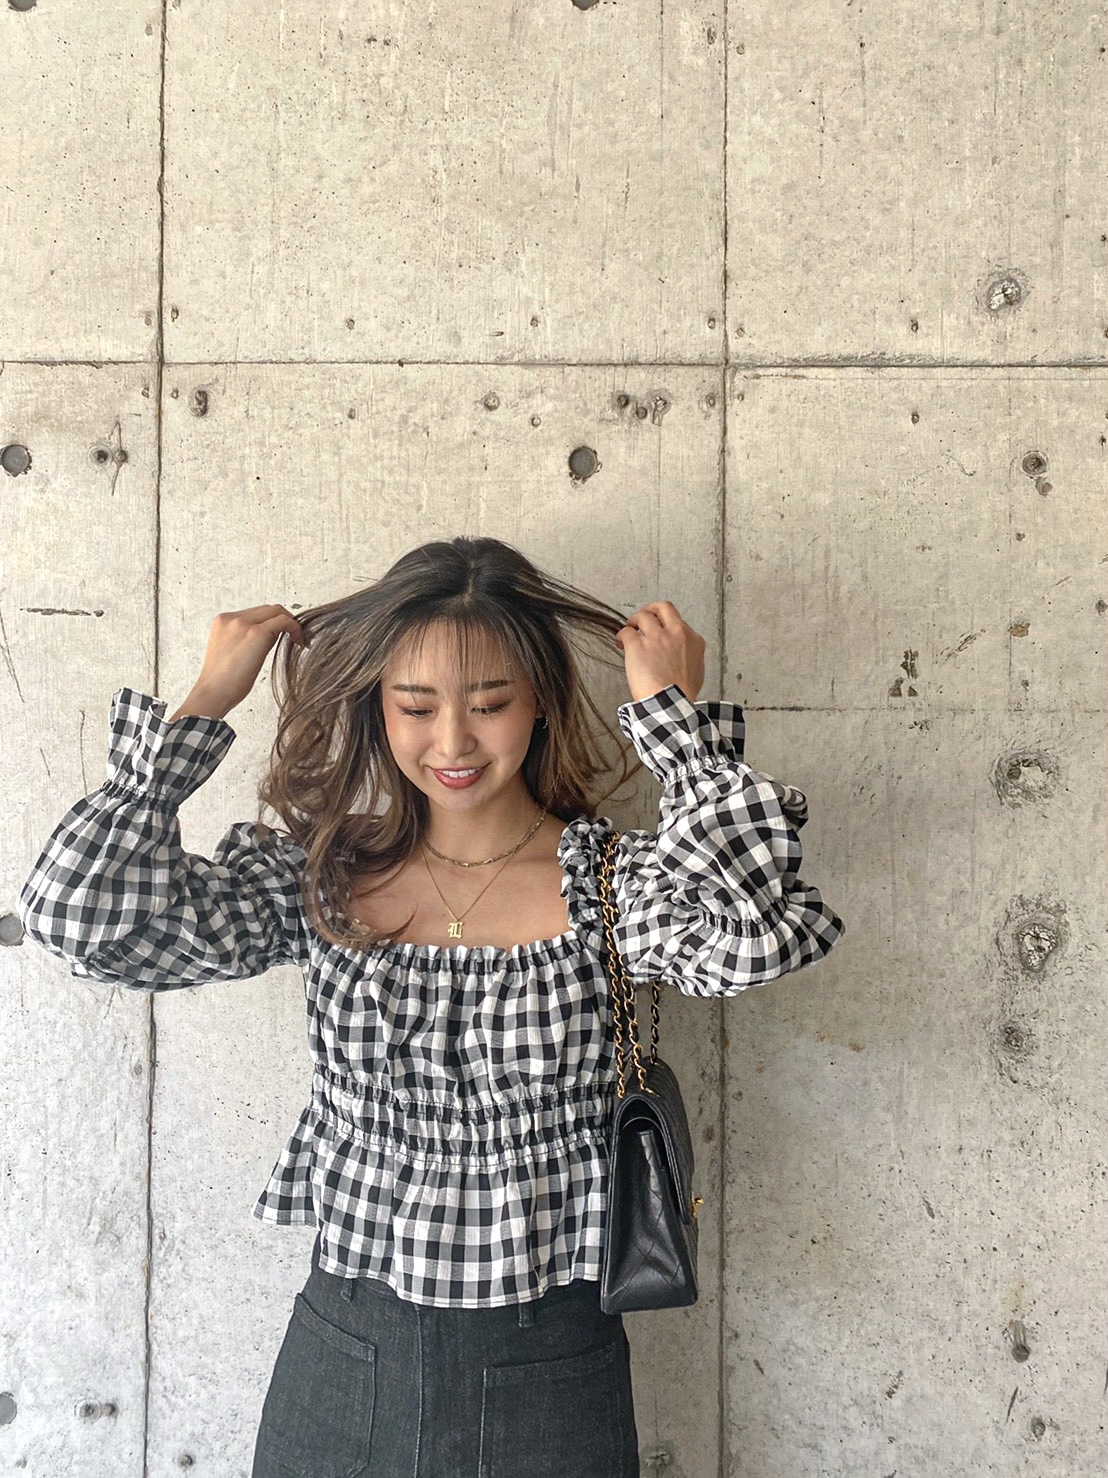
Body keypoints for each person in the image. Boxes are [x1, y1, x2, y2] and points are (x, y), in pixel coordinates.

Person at [18, 535, 846, 1478]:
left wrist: (674, 720)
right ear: (377, 708)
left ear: (541, 701)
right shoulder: (323, 877)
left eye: (489, 704)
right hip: (342, 1356)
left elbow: (753, 932)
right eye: (416, 706)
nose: (452, 743)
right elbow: (79, 922)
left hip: (551, 1369)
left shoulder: (613, 885)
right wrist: (205, 702)